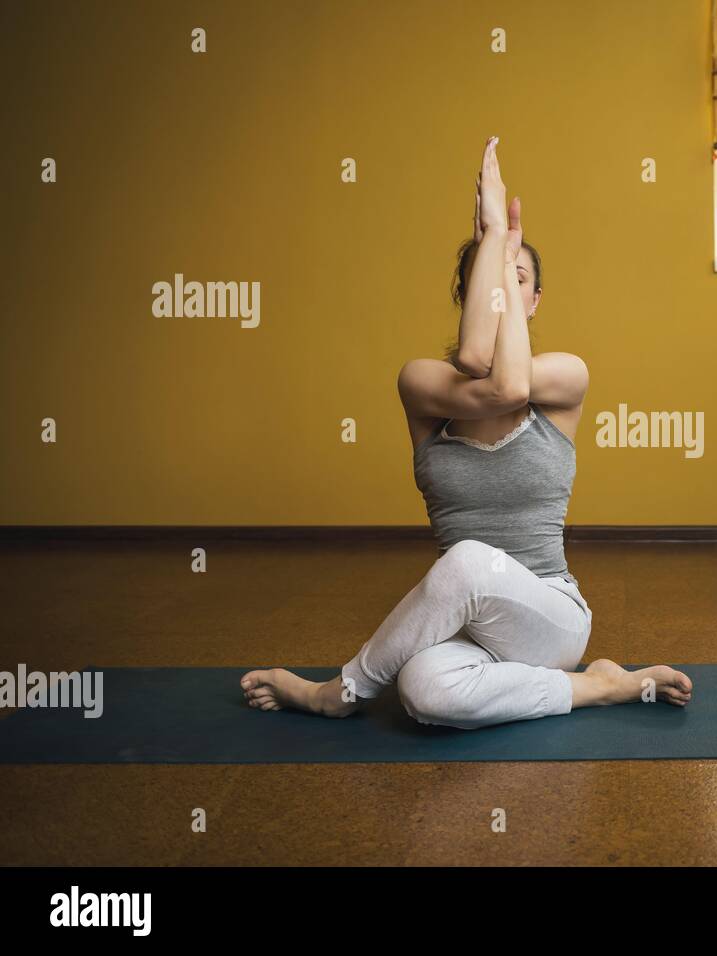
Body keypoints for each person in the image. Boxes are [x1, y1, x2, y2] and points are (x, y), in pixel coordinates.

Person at [240, 137, 692, 728]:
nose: (507, 288)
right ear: (466, 296)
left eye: (519, 277)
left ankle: (336, 695)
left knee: (470, 561)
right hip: (468, 625)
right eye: (487, 277)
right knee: (424, 692)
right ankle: (599, 687)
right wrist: (496, 244)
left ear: (534, 301)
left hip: (548, 616)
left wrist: (497, 242)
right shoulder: (421, 383)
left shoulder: (565, 379)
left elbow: (506, 383)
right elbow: (480, 363)